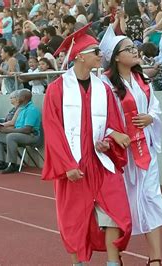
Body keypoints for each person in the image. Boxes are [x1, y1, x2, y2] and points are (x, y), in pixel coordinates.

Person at [42, 23, 132, 266]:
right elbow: (53, 131)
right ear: (80, 56)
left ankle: (113, 263)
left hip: (101, 163)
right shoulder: (57, 90)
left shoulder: (103, 88)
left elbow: (112, 123)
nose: (99, 56)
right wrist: (66, 165)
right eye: (95, 52)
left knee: (115, 213)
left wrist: (110, 141)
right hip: (74, 165)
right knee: (75, 219)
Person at [100, 28, 162, 266]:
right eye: (129, 49)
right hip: (120, 155)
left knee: (151, 198)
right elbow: (98, 118)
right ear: (116, 57)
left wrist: (151, 117)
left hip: (145, 150)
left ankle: (156, 259)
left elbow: (155, 107)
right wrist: (113, 133)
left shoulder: (144, 80)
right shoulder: (105, 84)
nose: (135, 51)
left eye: (134, 47)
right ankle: (115, 256)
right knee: (121, 205)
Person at [0, 89, 41, 174]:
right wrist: (1, 129)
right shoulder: (21, 109)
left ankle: (12, 164)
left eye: (18, 96)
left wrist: (8, 131)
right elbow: (14, 124)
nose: (17, 98)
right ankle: (0, 162)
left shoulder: (31, 109)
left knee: (11, 136)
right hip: (20, 134)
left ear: (23, 98)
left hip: (31, 136)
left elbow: (27, 130)